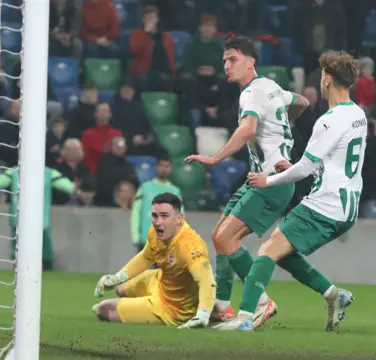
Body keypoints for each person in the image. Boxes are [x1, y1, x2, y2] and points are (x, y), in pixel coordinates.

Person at [217, 50, 362, 332]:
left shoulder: (329, 121)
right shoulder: (357, 114)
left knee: (267, 250)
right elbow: (333, 162)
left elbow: (306, 168)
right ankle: (334, 295)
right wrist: (294, 166)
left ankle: (245, 319)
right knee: (282, 250)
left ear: (327, 79)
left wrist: (268, 180)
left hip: (325, 205)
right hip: (348, 206)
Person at [184, 36, 310, 328]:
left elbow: (247, 128)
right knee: (220, 235)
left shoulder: (251, 93)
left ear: (250, 62)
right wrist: (282, 131)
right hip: (263, 177)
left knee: (225, 238)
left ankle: (261, 303)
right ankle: (224, 306)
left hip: (270, 181)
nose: (226, 66)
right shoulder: (273, 88)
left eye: (232, 60)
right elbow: (301, 101)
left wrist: (215, 159)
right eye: (225, 60)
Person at [92, 193, 216, 329]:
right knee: (120, 288)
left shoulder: (191, 245)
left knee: (103, 310)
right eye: (155, 216)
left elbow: (206, 280)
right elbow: (145, 257)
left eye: (164, 216)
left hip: (171, 308)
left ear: (179, 218)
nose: (158, 222)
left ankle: (137, 308)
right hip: (159, 280)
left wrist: (203, 314)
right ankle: (132, 305)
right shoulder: (155, 232)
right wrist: (116, 278)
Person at [130, 153, 182, 252]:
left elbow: (179, 218)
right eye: (161, 165)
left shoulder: (175, 191)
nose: (164, 169)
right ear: (156, 167)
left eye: (167, 166)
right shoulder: (145, 188)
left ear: (170, 168)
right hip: (146, 241)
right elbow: (136, 212)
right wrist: (135, 236)